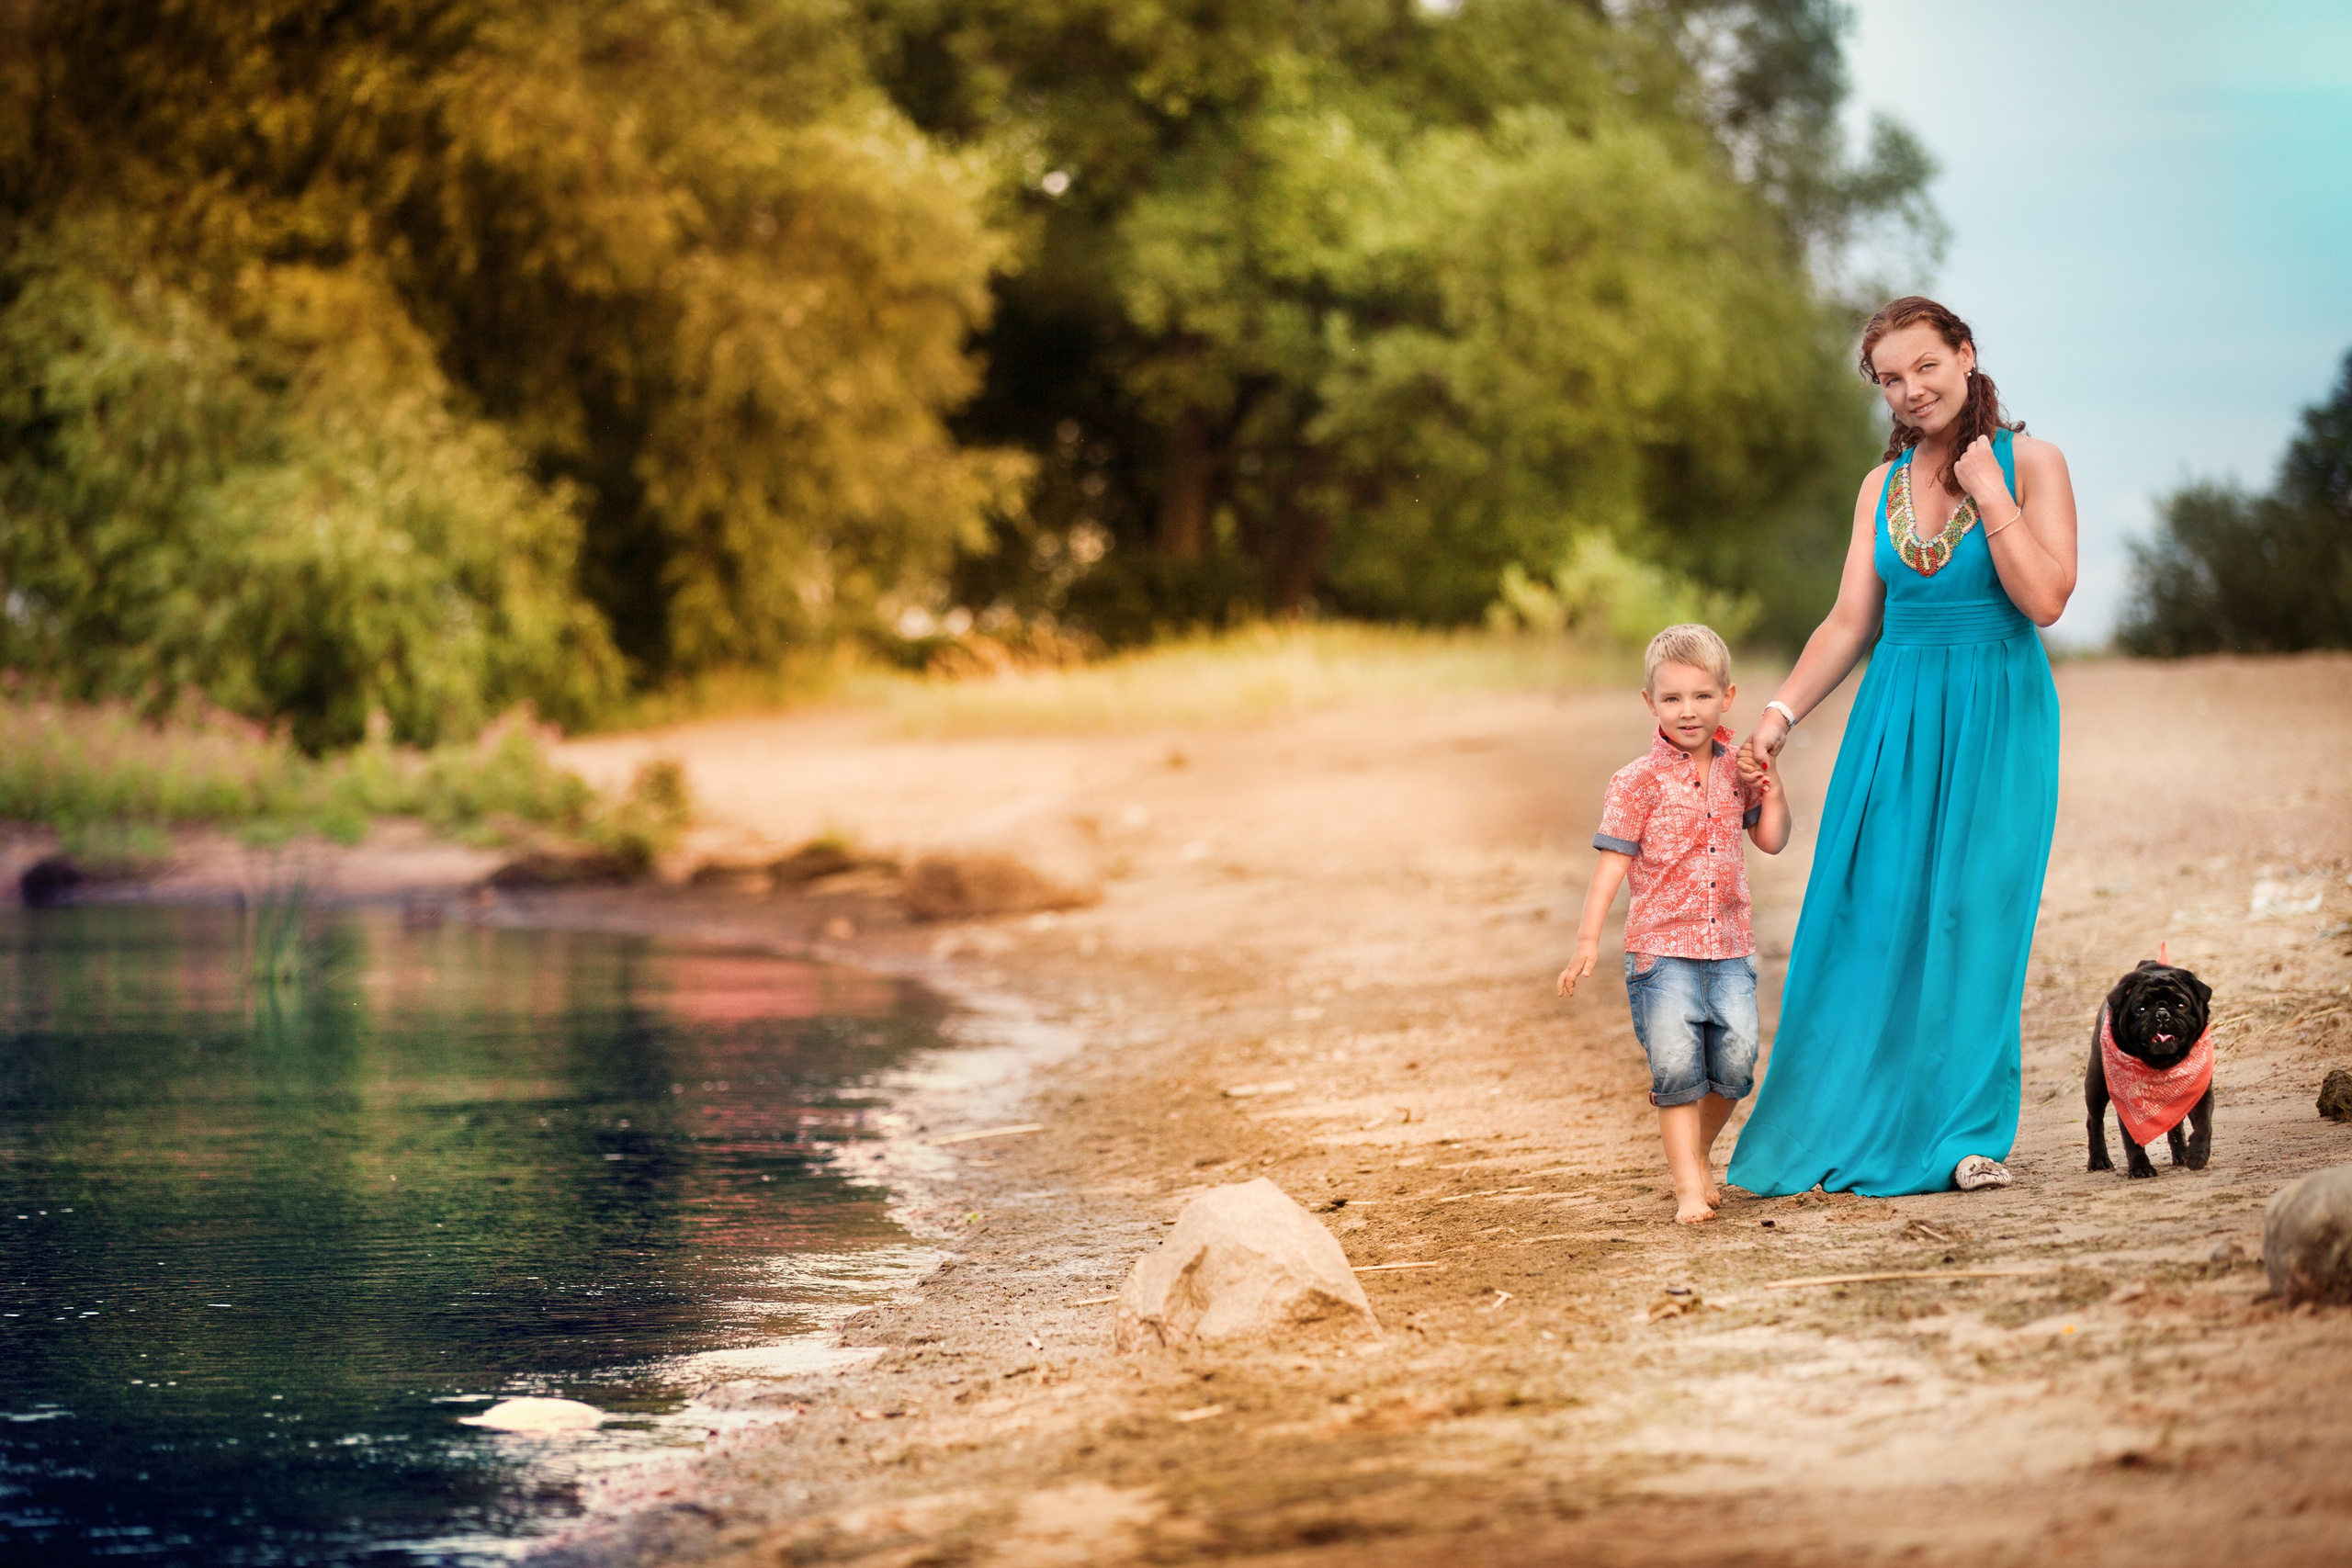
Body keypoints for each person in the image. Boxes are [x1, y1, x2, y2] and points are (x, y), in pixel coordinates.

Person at [1726, 296, 2076, 1198]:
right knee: (1868, 911)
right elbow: (1849, 622)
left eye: (1925, 366)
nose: (1911, 389)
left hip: (1999, 720)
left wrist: (1991, 494)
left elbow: (2044, 600)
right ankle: (1842, 1116)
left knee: (1972, 915)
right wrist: (1773, 721)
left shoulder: (2032, 463)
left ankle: (1963, 1136)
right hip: (1896, 714)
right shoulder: (1876, 488)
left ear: (1964, 355)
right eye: (1890, 378)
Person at [1558, 624, 1792, 1223]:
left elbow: (1770, 840)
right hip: (1661, 953)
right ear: (1650, 703)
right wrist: (1588, 939)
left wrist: (1771, 782)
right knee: (1679, 1070)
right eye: (1672, 698)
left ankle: (1695, 1152)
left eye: (1701, 696)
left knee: (1737, 1065)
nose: (1688, 711)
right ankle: (1689, 1185)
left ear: (1727, 697)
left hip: (1731, 949)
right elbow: (1612, 867)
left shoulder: (1739, 771)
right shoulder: (1637, 781)